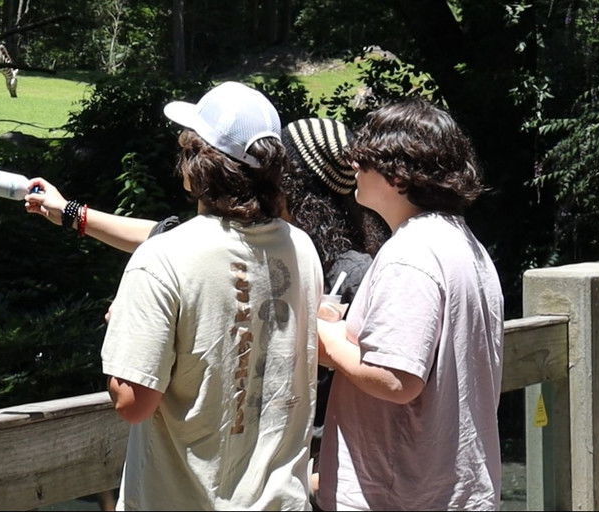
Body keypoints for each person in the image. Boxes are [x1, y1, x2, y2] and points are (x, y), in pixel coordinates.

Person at [26, 117, 387, 461]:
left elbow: (132, 402)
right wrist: (70, 211)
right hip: (279, 480)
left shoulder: (343, 271)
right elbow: (165, 236)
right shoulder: (293, 248)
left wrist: (133, 328)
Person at [45, 81, 324, 509]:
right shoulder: (301, 248)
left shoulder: (163, 258)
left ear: (197, 165)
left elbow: (132, 402)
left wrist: (125, 326)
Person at [314, 99, 503, 510]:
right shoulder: (462, 243)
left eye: (363, 162)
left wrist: (322, 337)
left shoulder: (410, 254)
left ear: (398, 175)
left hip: (402, 495)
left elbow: (396, 379)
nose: (354, 171)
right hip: (451, 490)